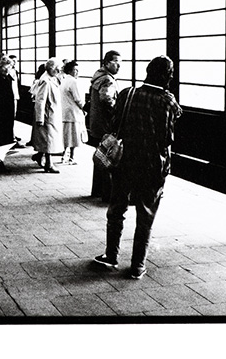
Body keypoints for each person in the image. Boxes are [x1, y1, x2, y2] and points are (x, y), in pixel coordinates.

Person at [92, 56, 182, 279]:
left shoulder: (127, 93)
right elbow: (167, 138)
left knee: (117, 208)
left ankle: (111, 256)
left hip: (124, 161)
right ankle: (137, 266)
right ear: (167, 76)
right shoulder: (168, 101)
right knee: (145, 214)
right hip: (152, 165)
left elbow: (114, 124)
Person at [87, 50, 121, 200]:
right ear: (106, 63)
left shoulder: (98, 76)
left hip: (96, 122)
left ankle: (98, 190)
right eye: (115, 61)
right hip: (106, 124)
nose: (119, 65)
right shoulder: (108, 79)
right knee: (109, 158)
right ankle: (107, 193)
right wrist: (117, 112)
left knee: (100, 156)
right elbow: (106, 99)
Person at [30, 58, 63, 173]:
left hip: (52, 113)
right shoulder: (45, 81)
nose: (59, 71)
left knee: (49, 140)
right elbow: (40, 100)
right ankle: (49, 164)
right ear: (51, 68)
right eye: (57, 69)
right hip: (47, 115)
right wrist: (40, 118)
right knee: (49, 141)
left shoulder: (52, 78)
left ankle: (40, 156)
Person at [58, 60, 86, 165]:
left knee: (66, 135)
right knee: (74, 136)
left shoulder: (64, 80)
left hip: (65, 112)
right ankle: (71, 157)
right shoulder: (74, 81)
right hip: (74, 113)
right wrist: (84, 108)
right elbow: (78, 99)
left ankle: (64, 155)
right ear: (70, 71)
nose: (77, 72)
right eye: (75, 70)